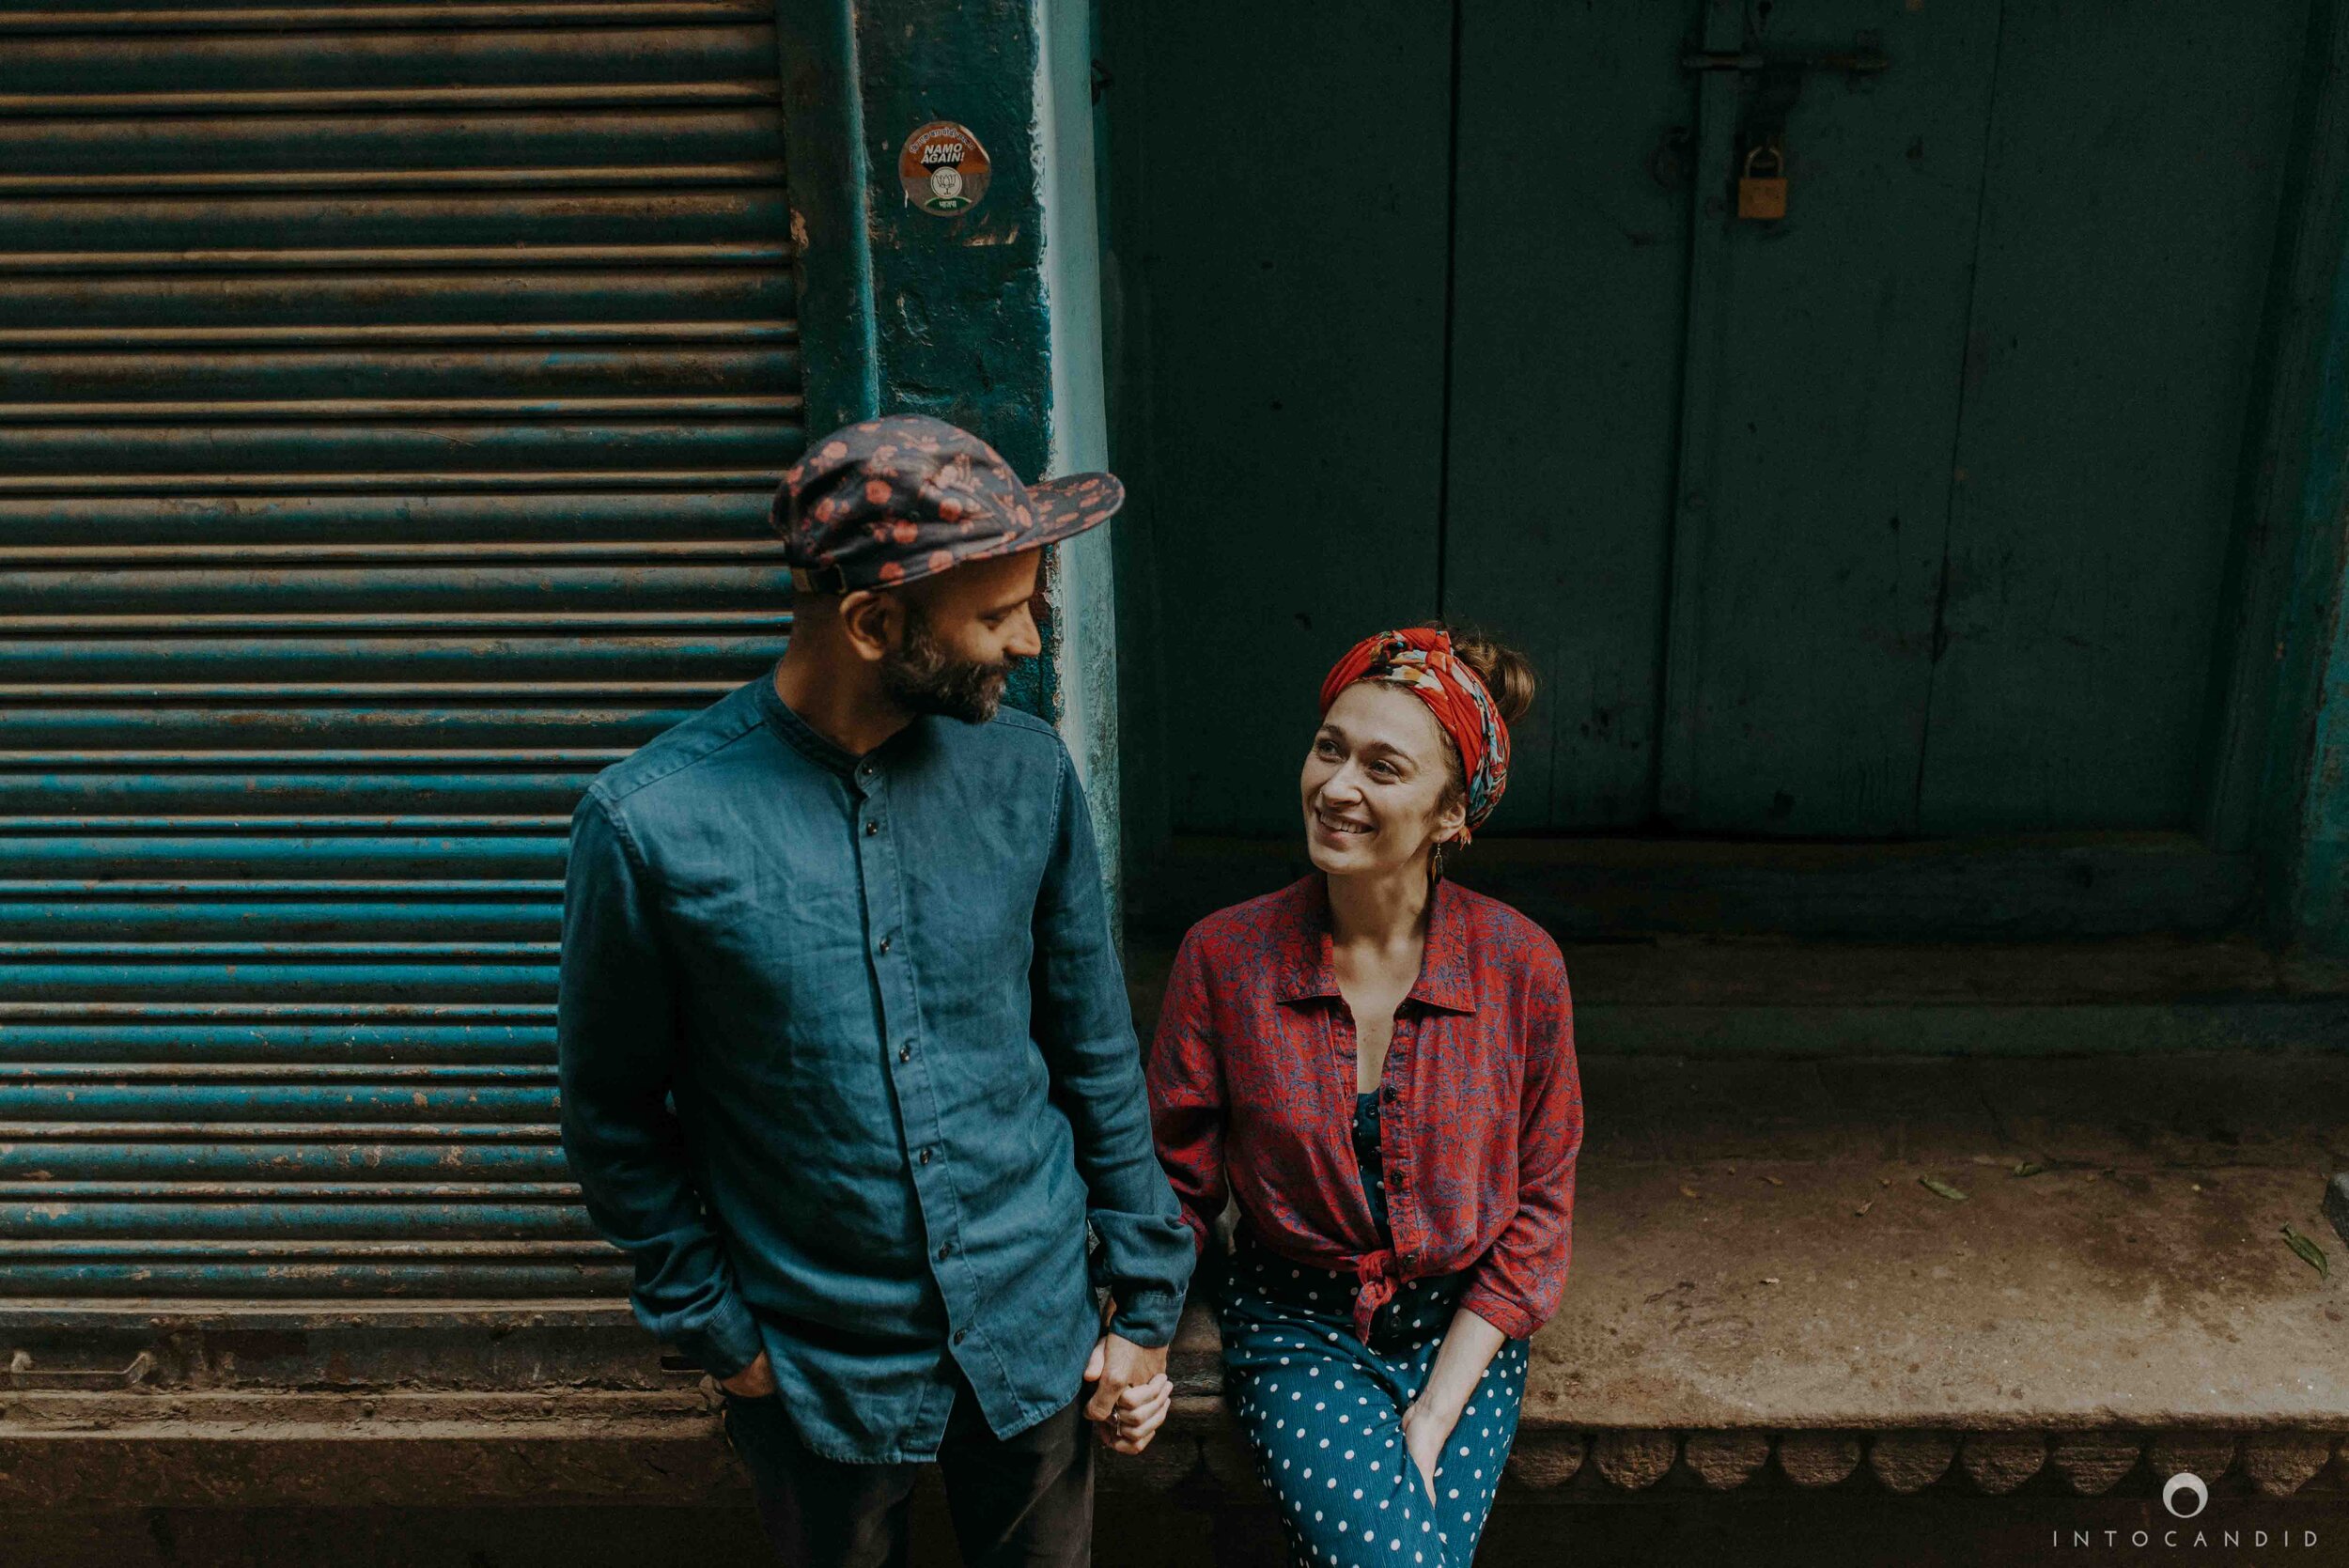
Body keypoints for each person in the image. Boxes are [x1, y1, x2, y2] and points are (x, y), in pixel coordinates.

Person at [557, 414, 1195, 1568]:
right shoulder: (650, 825)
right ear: (871, 622)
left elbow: (1094, 1051)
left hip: (1037, 1326)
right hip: (815, 1371)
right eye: (998, 615)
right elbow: (610, 1116)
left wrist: (1145, 1304)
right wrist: (722, 1333)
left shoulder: (1027, 773)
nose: (1030, 642)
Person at [1147, 626, 1582, 1566]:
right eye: (1329, 749)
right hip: (1297, 1322)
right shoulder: (1224, 958)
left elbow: (1539, 1212)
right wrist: (1130, 1335)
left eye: (1384, 769)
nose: (1338, 787)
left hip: (1464, 1329)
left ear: (1449, 816)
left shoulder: (1520, 968)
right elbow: (1172, 1186)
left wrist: (1431, 1413)